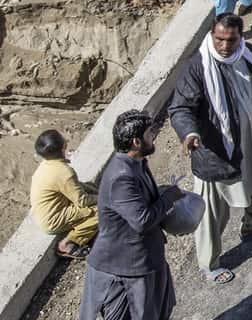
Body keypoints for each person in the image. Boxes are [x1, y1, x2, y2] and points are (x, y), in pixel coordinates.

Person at [168, 14, 252, 285]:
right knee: (212, 213)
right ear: (211, 35)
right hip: (216, 153)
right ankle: (209, 264)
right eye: (219, 39)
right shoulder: (197, 67)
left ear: (240, 37)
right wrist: (190, 133)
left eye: (231, 40)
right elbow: (180, 108)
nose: (224, 46)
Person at [78, 110, 180, 320]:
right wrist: (169, 197)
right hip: (124, 269)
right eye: (149, 133)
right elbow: (142, 221)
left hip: (143, 260)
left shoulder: (137, 163)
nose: (154, 136)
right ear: (136, 141)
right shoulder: (121, 177)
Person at [30, 129, 97, 259]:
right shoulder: (64, 172)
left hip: (44, 212)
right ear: (64, 146)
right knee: (103, 210)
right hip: (52, 220)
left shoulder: (46, 165)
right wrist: (103, 198)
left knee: (88, 187)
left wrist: (95, 192)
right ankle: (68, 243)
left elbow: (76, 186)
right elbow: (82, 201)